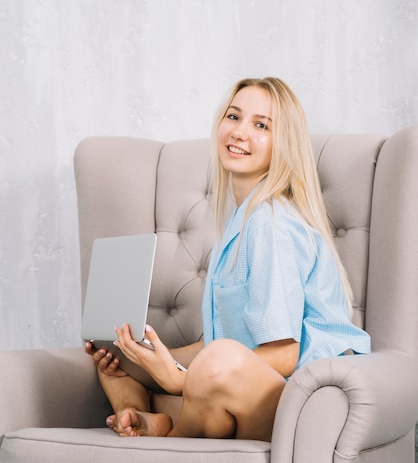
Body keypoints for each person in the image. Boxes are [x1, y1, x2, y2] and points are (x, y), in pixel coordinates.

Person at [85, 77, 370, 441]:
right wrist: (149, 355)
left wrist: (180, 377)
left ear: (283, 144)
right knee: (118, 359)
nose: (239, 132)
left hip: (299, 395)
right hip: (237, 382)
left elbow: (283, 353)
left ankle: (167, 437)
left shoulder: (271, 223)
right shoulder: (239, 221)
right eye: (233, 117)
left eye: (261, 125)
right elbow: (222, 344)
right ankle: (136, 415)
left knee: (217, 361)